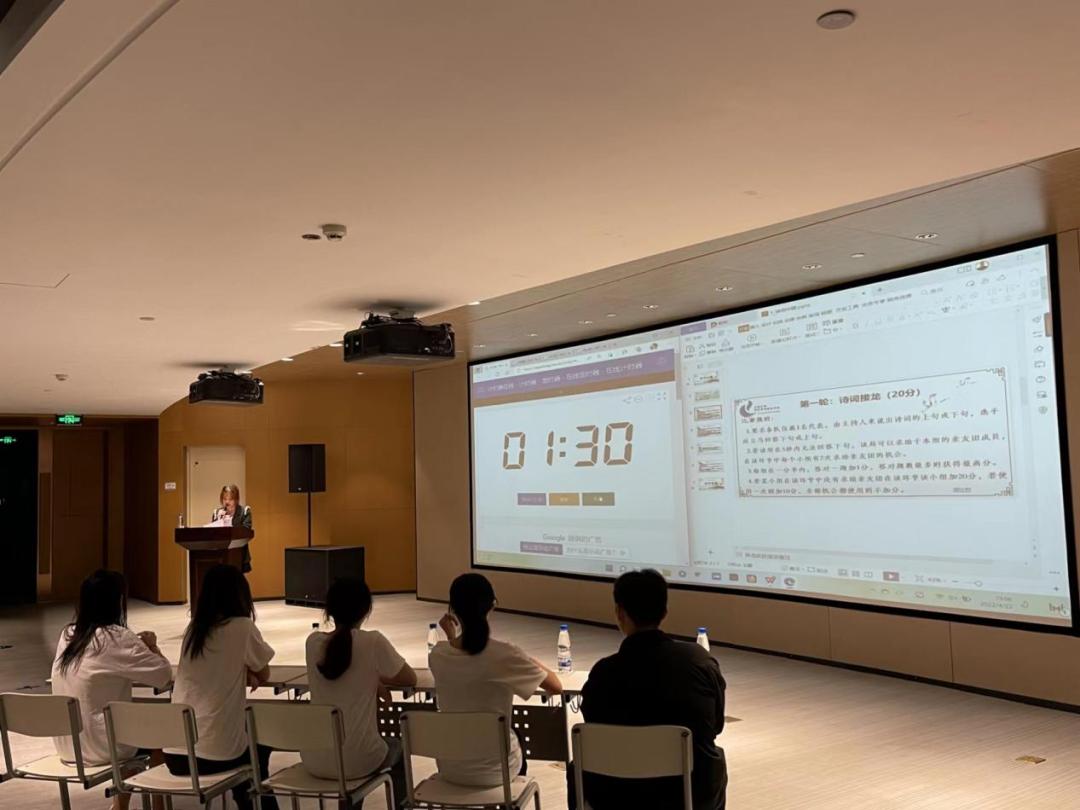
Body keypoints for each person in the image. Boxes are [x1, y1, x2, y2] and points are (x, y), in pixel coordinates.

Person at [568, 569, 727, 810]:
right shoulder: (699, 662)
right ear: (665, 611)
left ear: (619, 613)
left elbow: (595, 726)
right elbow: (715, 726)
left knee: (577, 765)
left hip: (615, 796)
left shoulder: (603, 673)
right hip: (687, 794)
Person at [50, 570, 172, 810]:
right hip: (100, 746)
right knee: (158, 735)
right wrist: (152, 646)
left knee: (125, 726)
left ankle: (120, 806)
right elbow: (163, 676)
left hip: (68, 744)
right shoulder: (117, 638)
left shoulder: (68, 635)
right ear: (118, 602)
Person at [428, 573, 562, 786]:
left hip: (450, 769)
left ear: (452, 609)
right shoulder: (504, 654)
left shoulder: (437, 655)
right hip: (498, 772)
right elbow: (555, 687)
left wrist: (452, 637)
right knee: (514, 735)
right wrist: (522, 656)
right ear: (492, 605)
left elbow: (463, 660)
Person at [165, 564, 278, 810]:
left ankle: (245, 800)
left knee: (244, 742)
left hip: (175, 754)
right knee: (261, 741)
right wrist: (246, 671)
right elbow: (265, 673)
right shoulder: (242, 627)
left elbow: (207, 671)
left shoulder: (194, 631)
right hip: (215, 755)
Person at [301, 578, 416, 807]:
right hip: (358, 761)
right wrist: (376, 678)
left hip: (314, 759)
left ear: (329, 611)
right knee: (397, 748)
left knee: (356, 755)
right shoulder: (372, 642)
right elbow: (409, 678)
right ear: (365, 611)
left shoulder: (312, 643)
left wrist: (372, 680)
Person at [212, 484, 252, 573]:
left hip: (239, 553)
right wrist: (219, 520)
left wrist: (230, 524)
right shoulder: (217, 513)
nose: (227, 502)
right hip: (221, 553)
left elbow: (246, 531)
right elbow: (213, 533)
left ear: (236, 500)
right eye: (224, 499)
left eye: (230, 499)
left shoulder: (244, 512)